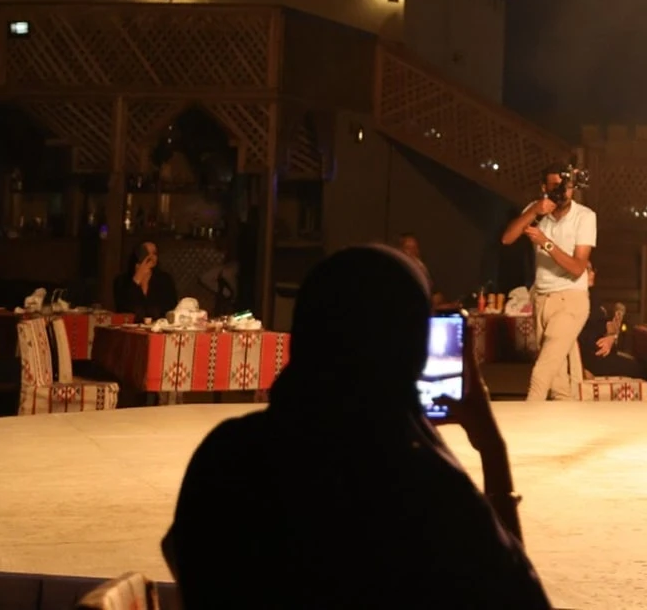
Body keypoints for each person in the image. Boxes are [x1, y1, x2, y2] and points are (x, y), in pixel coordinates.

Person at [164, 245, 550, 609]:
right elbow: (519, 598)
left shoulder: (227, 455)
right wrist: (491, 451)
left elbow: (183, 555)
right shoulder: (424, 488)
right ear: (410, 354)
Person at [499, 168, 595, 402]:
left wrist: (545, 243)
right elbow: (507, 238)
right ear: (545, 188)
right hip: (542, 300)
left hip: (570, 300)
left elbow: (577, 267)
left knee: (542, 372)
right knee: (557, 383)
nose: (563, 193)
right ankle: (566, 432)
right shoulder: (537, 210)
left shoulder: (584, 216)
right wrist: (534, 209)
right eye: (556, 187)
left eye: (568, 187)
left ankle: (527, 421)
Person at [112, 240, 180, 321]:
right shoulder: (122, 281)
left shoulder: (165, 280)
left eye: (154, 253)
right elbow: (124, 310)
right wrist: (137, 279)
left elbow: (168, 311)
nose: (150, 257)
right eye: (146, 253)